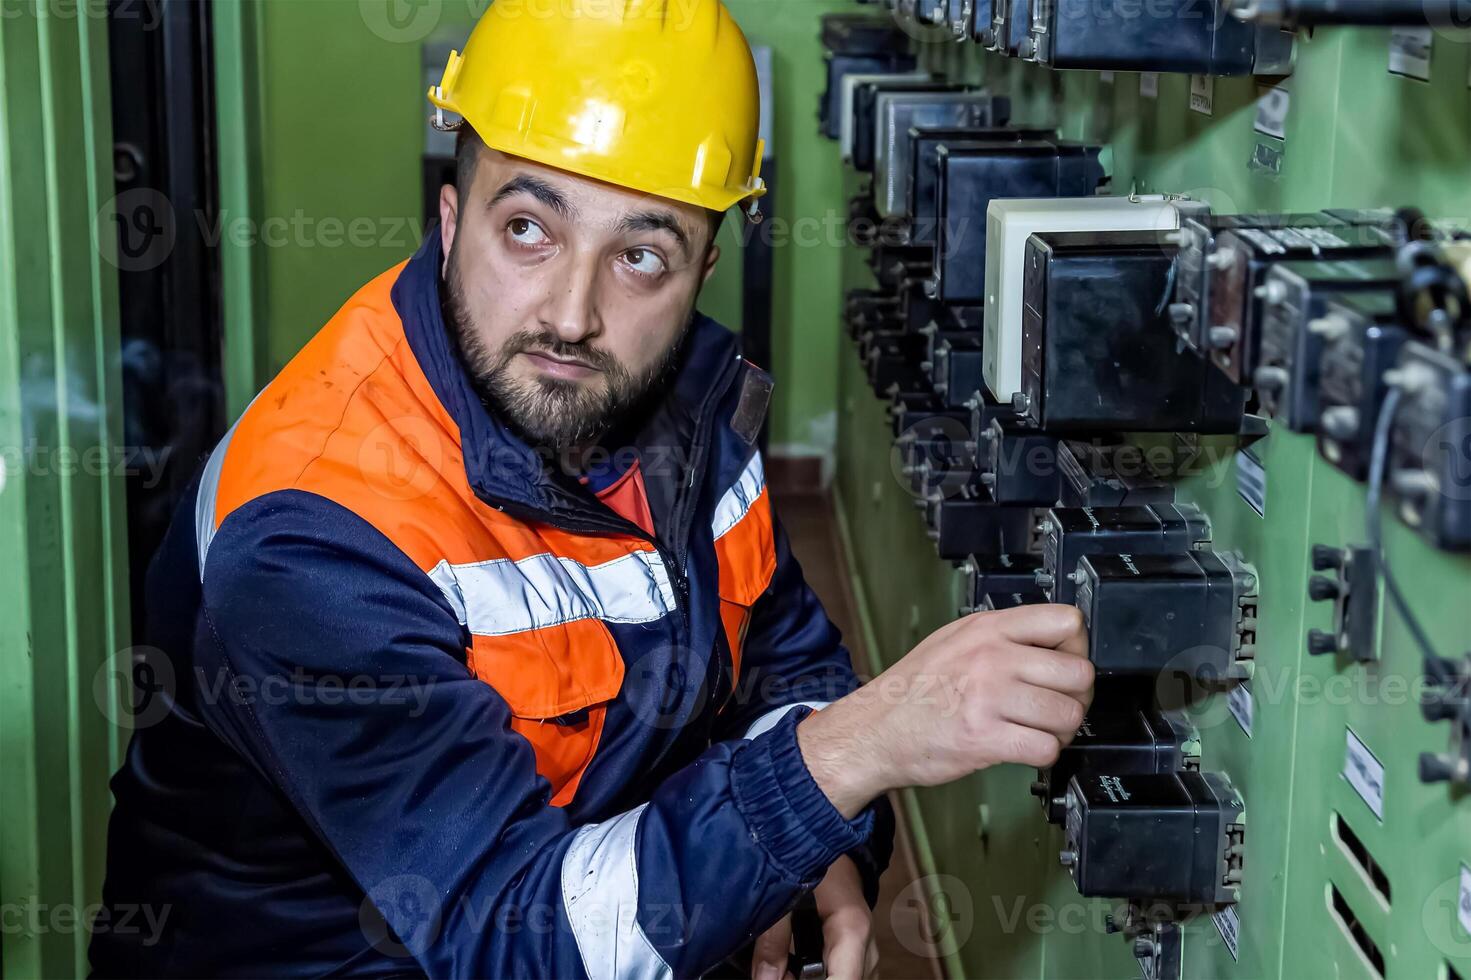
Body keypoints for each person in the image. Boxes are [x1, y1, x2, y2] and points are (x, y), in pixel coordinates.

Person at [91, 2, 1092, 977]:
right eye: (529, 228)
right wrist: (846, 755)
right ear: (449, 220)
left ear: (702, 267)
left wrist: (814, 844)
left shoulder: (693, 401)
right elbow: (516, 939)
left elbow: (781, 661)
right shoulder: (316, 536)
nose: (572, 315)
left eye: (641, 255)